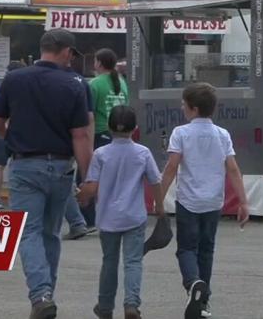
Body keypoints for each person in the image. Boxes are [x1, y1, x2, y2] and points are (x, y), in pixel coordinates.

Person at [0, 28, 92, 319]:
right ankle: (47, 293)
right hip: (61, 166)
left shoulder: (15, 78)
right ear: (66, 52)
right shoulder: (75, 84)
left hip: (25, 165)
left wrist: (15, 135)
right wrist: (88, 178)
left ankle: (41, 294)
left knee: (28, 233)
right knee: (51, 233)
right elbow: (80, 136)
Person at [160, 83, 249, 319]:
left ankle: (193, 283)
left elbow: (171, 167)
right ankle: (203, 302)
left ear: (194, 108)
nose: (181, 107)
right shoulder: (222, 135)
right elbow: (233, 169)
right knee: (207, 250)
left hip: (188, 200)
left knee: (186, 249)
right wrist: (243, 201)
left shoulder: (181, 133)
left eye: (183, 104)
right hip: (213, 201)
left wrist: (158, 197)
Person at [78, 106, 163, 319]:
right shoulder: (142, 152)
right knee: (133, 261)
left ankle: (105, 306)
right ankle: (131, 304)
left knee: (109, 261)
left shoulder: (100, 154)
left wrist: (81, 194)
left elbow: (92, 187)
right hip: (134, 216)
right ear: (135, 128)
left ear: (108, 127)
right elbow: (155, 181)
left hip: (107, 218)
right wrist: (159, 207)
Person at [62, 61, 97, 241]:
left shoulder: (92, 84)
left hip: (63, 143)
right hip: (80, 140)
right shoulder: (82, 82)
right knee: (66, 183)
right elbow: (89, 119)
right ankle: (79, 221)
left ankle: (77, 222)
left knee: (65, 184)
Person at [0, 61, 28, 211]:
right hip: (20, 133)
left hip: (2, 132)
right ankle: (19, 197)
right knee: (19, 165)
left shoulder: (5, 88)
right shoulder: (28, 89)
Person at [91, 49, 129, 150]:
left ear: (99, 63)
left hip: (100, 134)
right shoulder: (122, 83)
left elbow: (90, 113)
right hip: (121, 133)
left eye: (94, 61)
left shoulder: (94, 84)